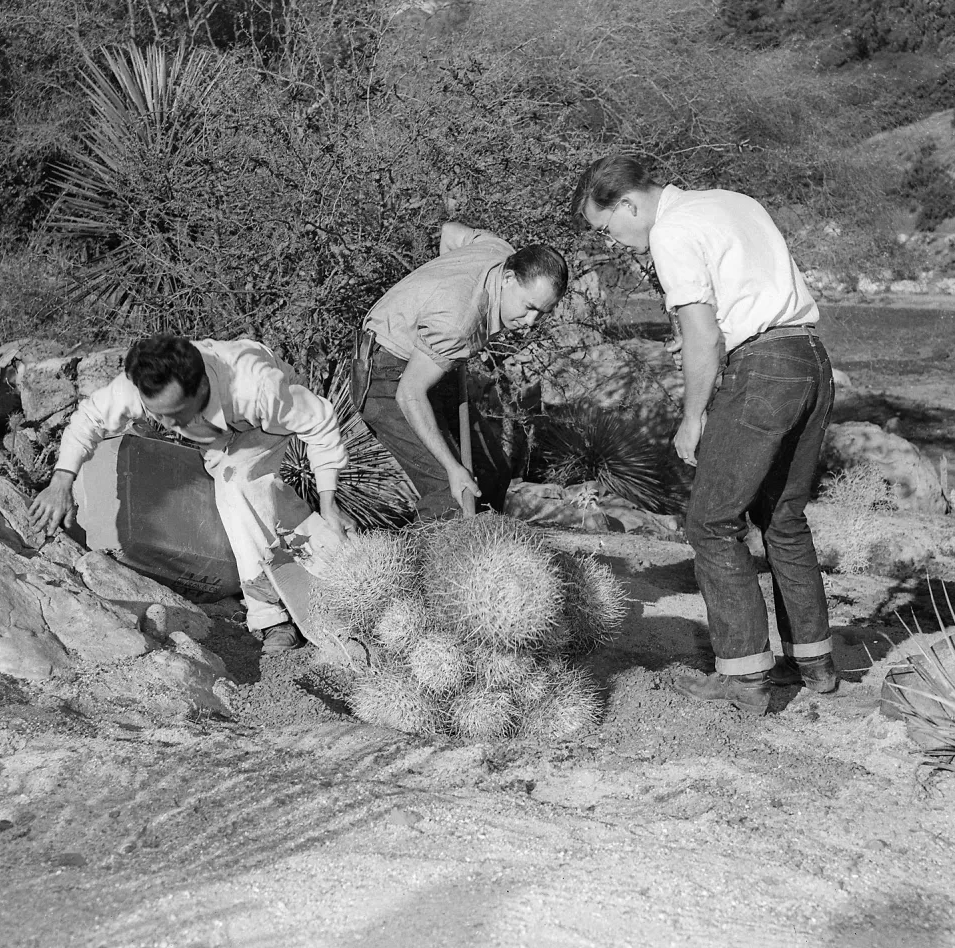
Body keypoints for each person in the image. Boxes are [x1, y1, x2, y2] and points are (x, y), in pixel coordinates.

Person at [571, 154, 835, 716]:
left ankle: (743, 676)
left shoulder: (670, 230)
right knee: (783, 519)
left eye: (607, 228)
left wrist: (693, 418)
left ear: (628, 204)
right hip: (809, 358)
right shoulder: (732, 201)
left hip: (763, 371)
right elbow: (743, 297)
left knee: (710, 522)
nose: (613, 242)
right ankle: (814, 663)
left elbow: (701, 336)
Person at [30, 335, 353, 653]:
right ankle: (325, 547)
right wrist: (61, 483)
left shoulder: (257, 388)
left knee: (237, 483)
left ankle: (271, 616)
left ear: (200, 388)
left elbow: (320, 423)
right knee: (239, 486)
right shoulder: (138, 387)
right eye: (157, 413)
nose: (167, 423)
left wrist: (329, 504)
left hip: (260, 426)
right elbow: (88, 419)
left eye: (175, 413)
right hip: (214, 433)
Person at [356, 223, 568, 518]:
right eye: (529, 306)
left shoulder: (499, 249)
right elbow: (409, 393)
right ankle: (426, 562)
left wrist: (444, 283)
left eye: (542, 313)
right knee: (452, 491)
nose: (531, 321)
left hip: (431, 362)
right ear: (508, 278)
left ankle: (481, 555)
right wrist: (452, 468)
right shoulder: (459, 325)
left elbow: (450, 233)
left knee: (492, 473)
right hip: (386, 376)